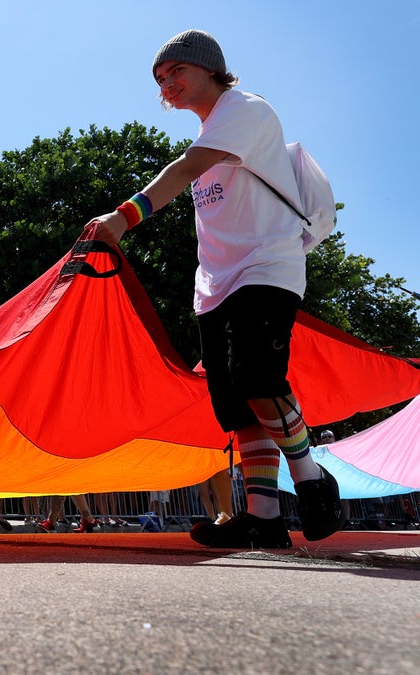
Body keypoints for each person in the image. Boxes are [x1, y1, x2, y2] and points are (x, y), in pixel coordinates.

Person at [88, 29, 343, 549]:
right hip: (215, 286)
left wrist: (123, 217)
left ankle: (313, 479)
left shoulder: (246, 110)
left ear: (209, 68)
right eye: (160, 79)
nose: (168, 83)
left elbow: (184, 170)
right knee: (235, 408)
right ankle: (265, 519)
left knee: (258, 380)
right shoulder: (210, 133)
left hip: (267, 268)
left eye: (176, 70)